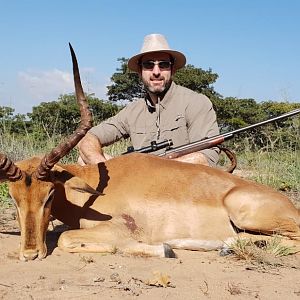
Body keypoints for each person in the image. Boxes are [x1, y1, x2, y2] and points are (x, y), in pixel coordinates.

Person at [77, 33, 220, 166]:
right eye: (149, 65)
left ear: (173, 69)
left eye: (163, 65)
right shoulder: (132, 111)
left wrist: (155, 170)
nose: (156, 72)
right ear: (140, 71)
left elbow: (207, 157)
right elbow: (88, 138)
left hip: (182, 184)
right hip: (139, 182)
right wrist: (106, 169)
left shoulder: (196, 102)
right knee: (83, 160)